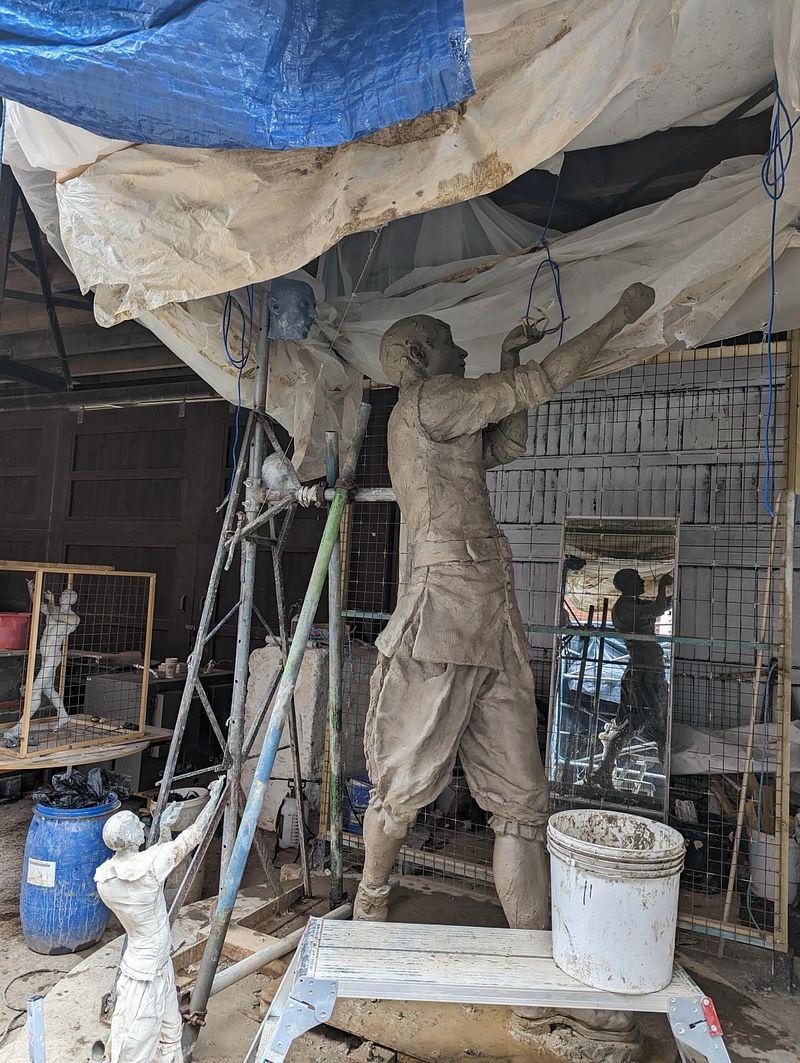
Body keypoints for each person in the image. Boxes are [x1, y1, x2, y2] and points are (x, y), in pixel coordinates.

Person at [95, 777, 225, 1063]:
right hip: (145, 977)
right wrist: (214, 798)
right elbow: (192, 837)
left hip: (154, 964)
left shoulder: (105, 878)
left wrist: (164, 828)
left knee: (171, 1033)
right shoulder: (149, 868)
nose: (143, 826)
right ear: (130, 837)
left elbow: (152, 865)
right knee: (133, 1048)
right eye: (137, 826)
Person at [592, 568, 673, 790]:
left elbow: (660, 606)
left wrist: (669, 596)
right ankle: (666, 776)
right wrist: (663, 586)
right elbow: (658, 608)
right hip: (643, 672)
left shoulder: (632, 604)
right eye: (638, 580)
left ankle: (604, 769)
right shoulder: (625, 609)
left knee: (638, 723)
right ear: (627, 585)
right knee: (651, 721)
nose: (642, 583)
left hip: (647, 669)